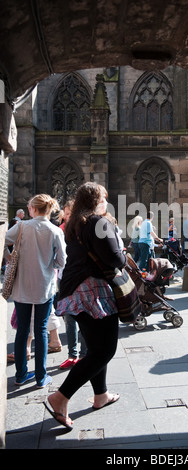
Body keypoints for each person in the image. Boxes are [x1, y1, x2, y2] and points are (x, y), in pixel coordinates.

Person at [44, 182, 127, 429]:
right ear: (96, 199)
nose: (106, 201)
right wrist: (122, 251)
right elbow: (115, 258)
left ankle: (100, 395)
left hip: (74, 290)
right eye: (104, 197)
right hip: (94, 292)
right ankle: (60, 397)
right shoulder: (98, 223)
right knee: (105, 351)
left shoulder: (74, 223)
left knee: (94, 348)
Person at [3, 194, 66, 388]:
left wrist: (9, 257)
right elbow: (62, 260)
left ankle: (21, 374)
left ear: (32, 209)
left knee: (22, 330)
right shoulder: (55, 230)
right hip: (44, 287)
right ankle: (41, 376)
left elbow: (2, 240)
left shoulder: (22, 226)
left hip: (22, 286)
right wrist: (50, 264)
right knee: (40, 330)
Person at [57, 199, 87, 369]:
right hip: (65, 278)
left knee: (83, 316)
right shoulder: (60, 231)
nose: (68, 217)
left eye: (70, 214)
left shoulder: (83, 230)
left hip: (81, 278)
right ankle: (72, 354)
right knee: (69, 317)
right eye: (66, 214)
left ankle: (84, 354)